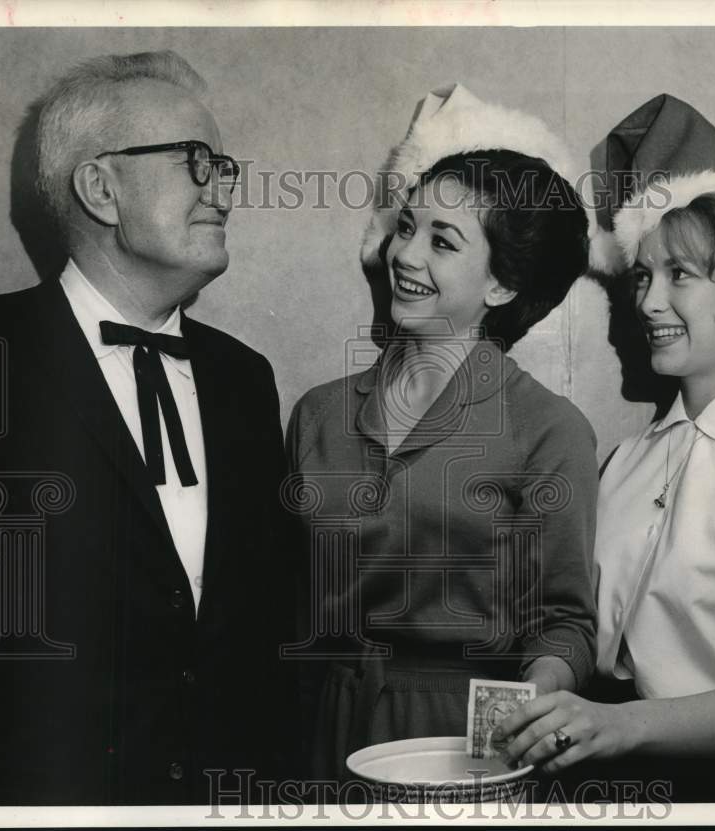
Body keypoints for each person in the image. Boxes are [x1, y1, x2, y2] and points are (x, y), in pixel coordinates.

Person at [0, 50, 295, 804]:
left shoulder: (246, 379)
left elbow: (266, 636)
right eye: (194, 162)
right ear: (100, 188)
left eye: (224, 166)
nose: (224, 190)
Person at [494, 94, 715, 802]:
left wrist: (623, 726)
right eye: (643, 276)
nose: (649, 301)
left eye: (678, 276)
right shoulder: (626, 462)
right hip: (589, 779)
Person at [284, 85, 604, 784]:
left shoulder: (549, 430)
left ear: (500, 284)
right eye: (406, 226)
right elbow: (284, 601)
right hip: (322, 724)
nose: (405, 254)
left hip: (462, 741)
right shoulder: (317, 413)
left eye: (442, 240)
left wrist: (519, 721)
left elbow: (565, 620)